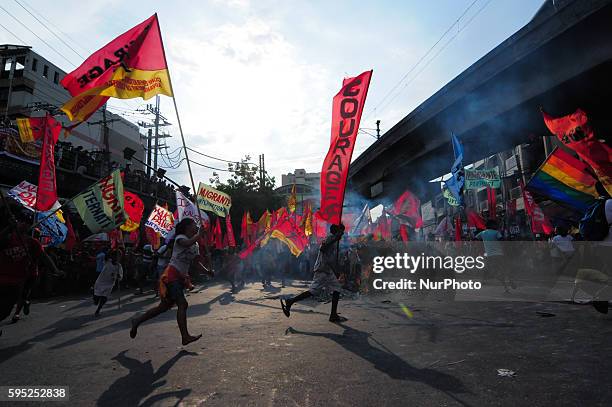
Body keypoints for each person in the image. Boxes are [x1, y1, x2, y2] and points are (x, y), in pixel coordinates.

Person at [130, 218, 207, 345]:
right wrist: (199, 235)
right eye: (194, 225)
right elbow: (186, 243)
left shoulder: (195, 244)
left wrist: (207, 271)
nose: (197, 227)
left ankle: (137, 321)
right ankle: (185, 336)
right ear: (187, 227)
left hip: (180, 278)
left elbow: (196, 263)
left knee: (163, 308)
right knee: (182, 304)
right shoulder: (180, 238)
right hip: (171, 275)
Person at [0, 204, 59, 326]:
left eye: (27, 222)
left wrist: (55, 270)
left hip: (20, 280)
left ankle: (20, 309)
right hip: (2, 278)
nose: (24, 224)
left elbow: (44, 257)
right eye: (21, 221)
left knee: (8, 309)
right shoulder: (8, 237)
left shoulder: (32, 243)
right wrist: (8, 227)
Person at [280, 224, 347, 323]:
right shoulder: (330, 238)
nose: (342, 234)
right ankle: (290, 301)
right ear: (337, 231)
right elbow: (323, 248)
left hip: (327, 270)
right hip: (322, 270)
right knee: (313, 291)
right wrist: (335, 239)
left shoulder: (334, 240)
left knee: (337, 289)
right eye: (341, 232)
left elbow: (330, 258)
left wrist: (336, 271)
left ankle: (333, 315)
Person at [476, 219, 515, 292]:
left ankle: (506, 287)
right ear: (492, 225)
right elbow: (502, 241)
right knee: (504, 268)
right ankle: (510, 280)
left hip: (490, 256)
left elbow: (475, 238)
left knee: (494, 272)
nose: (496, 226)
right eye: (495, 224)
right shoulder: (496, 232)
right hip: (500, 254)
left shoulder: (482, 233)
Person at [93, 250, 123, 316]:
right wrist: (113, 248)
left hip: (109, 284)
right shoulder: (107, 261)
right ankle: (95, 299)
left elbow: (120, 276)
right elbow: (107, 255)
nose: (117, 258)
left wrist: (118, 276)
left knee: (104, 298)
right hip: (100, 282)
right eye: (116, 256)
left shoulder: (119, 266)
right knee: (96, 299)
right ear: (112, 256)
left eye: (119, 256)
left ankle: (98, 310)